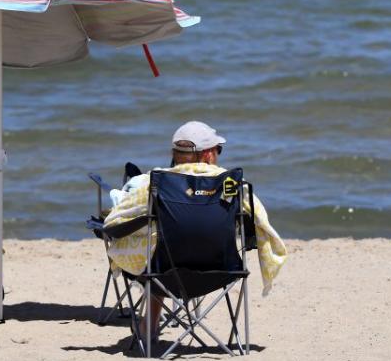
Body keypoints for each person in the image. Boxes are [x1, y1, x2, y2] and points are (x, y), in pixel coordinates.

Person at [103, 120, 287, 336]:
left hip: (163, 274)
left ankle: (148, 327)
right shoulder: (234, 185)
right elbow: (260, 222)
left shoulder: (156, 184)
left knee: (157, 248)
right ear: (208, 154)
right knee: (168, 245)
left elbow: (113, 222)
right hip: (222, 270)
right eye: (218, 150)